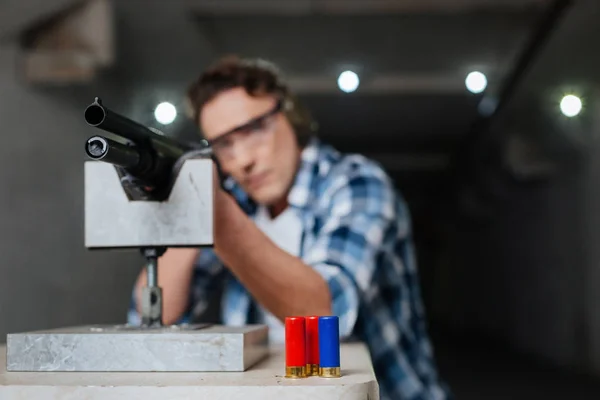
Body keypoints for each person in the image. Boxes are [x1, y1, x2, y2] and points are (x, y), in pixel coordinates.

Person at [127, 56, 451, 400]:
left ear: (289, 115)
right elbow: (150, 317)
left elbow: (325, 314)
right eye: (223, 144)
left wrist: (218, 215)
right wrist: (188, 208)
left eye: (253, 129)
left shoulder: (357, 183)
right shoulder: (236, 203)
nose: (242, 159)